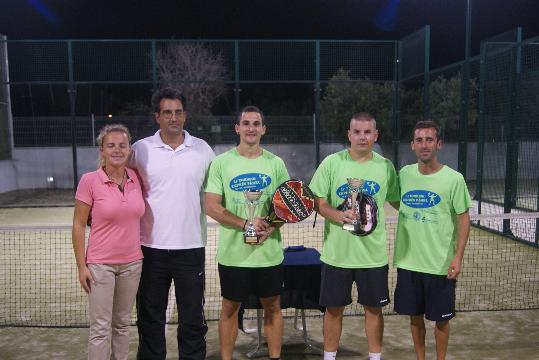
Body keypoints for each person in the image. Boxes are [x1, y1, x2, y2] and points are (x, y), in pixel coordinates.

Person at [130, 87, 214, 360]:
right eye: (167, 112)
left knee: (192, 318)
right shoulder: (140, 149)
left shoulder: (203, 150)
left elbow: (215, 194)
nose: (173, 118)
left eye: (178, 112)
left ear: (185, 115)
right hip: (150, 249)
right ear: (157, 116)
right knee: (150, 318)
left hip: (190, 248)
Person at [309, 112, 399, 360]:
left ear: (375, 135)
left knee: (374, 310)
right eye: (357, 132)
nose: (362, 136)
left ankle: (375, 357)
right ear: (349, 135)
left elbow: (398, 200)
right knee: (333, 310)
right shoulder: (331, 163)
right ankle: (329, 357)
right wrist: (336, 216)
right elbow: (317, 201)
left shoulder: (385, 167)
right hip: (337, 256)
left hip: (372, 257)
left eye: (367, 132)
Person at [204, 106, 289, 360]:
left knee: (273, 307)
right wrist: (245, 224)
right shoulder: (221, 163)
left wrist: (270, 227)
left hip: (268, 254)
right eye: (246, 123)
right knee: (230, 308)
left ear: (263, 129)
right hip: (233, 255)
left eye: (256, 123)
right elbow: (211, 206)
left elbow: (287, 206)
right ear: (237, 128)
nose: (251, 128)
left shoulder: (276, 164)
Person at [393, 120, 471, 360]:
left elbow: (464, 219)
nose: (424, 145)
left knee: (441, 321)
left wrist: (458, 257)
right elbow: (396, 200)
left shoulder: (454, 179)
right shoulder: (404, 174)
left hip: (440, 265)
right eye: (419, 140)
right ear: (412, 145)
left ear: (439, 144)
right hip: (409, 262)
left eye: (429, 139)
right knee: (415, 318)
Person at [72, 124, 145, 360]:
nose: (117, 150)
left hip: (133, 264)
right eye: (111, 145)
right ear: (102, 150)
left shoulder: (135, 177)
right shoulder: (89, 181)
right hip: (100, 266)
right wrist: (82, 266)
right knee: (100, 329)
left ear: (129, 149)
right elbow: (79, 225)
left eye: (122, 145)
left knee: (122, 324)